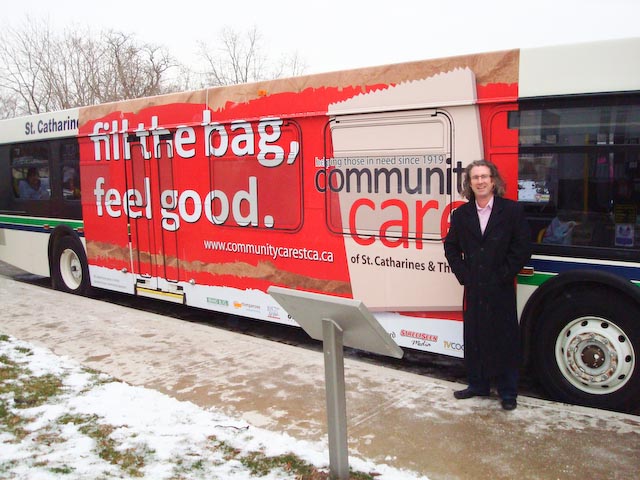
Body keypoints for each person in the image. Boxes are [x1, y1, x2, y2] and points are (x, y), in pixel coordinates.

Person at [444, 160, 531, 411]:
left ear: (494, 180)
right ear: (469, 184)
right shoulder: (461, 215)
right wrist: (464, 275)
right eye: (475, 177)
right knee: (475, 337)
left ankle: (508, 392)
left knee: (504, 338)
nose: (480, 181)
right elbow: (450, 247)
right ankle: (477, 385)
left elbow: (523, 248)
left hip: (501, 286)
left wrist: (504, 274)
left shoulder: (512, 211)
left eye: (484, 176)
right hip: (474, 286)